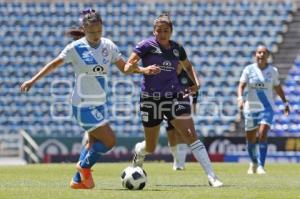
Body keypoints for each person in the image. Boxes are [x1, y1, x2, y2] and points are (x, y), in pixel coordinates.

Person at [20, 9, 160, 189]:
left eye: (99, 31)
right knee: (110, 141)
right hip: (82, 105)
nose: (96, 36)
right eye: (92, 32)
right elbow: (53, 64)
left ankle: (77, 181)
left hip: (100, 104)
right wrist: (32, 80)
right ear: (84, 30)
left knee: (92, 142)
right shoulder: (75, 48)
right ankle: (84, 167)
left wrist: (142, 70)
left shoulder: (108, 45)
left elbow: (124, 68)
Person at [124, 13, 223, 187]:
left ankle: (212, 176)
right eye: (159, 31)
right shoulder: (145, 46)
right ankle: (140, 152)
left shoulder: (177, 48)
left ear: (171, 31)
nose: (162, 34)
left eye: (166, 31)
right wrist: (143, 70)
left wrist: (196, 82)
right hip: (150, 99)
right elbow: (127, 67)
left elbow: (188, 66)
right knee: (151, 147)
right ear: (154, 31)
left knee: (190, 135)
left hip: (174, 97)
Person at [237, 45, 290, 174]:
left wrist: (285, 102)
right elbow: (241, 86)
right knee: (250, 139)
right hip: (251, 108)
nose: (260, 55)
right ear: (256, 54)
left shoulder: (273, 71)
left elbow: (277, 88)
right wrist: (240, 98)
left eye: (263, 53)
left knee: (262, 134)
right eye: (258, 52)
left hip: (267, 108)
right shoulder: (248, 69)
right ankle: (253, 162)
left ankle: (261, 166)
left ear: (268, 56)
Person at [167, 64, 199, 170]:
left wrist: (194, 104)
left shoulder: (186, 76)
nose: (177, 65)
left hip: (183, 104)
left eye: (179, 63)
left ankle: (181, 163)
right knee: (171, 135)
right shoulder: (168, 74)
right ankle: (176, 159)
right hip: (168, 105)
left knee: (181, 132)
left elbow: (195, 89)